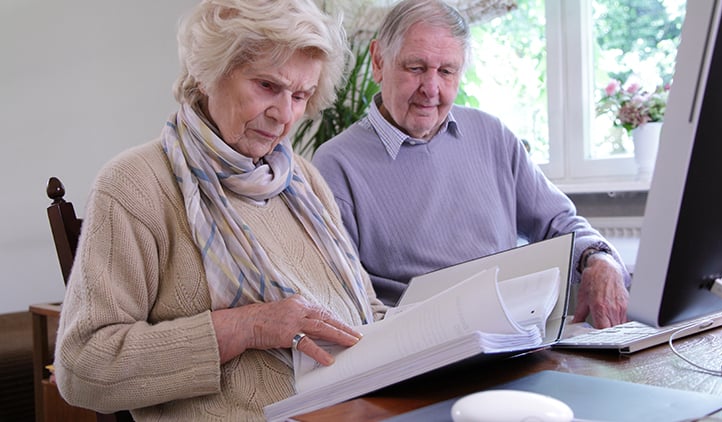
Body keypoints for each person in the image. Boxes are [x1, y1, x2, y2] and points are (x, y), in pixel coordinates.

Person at [53, 0, 387, 420]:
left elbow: (366, 311)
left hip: (360, 407)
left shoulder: (302, 178)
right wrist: (246, 327)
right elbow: (83, 368)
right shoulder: (134, 185)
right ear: (207, 73)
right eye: (267, 85)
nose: (284, 115)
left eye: (300, 96)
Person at [312, 0, 630, 329]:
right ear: (379, 61)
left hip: (515, 334)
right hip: (417, 349)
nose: (431, 89)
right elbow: (341, 296)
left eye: (446, 71)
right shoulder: (335, 165)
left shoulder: (493, 135)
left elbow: (560, 222)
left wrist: (600, 258)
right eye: (416, 68)